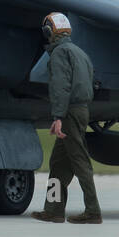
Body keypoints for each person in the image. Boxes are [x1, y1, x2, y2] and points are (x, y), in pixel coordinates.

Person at [31, 12, 102, 224]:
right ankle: (53, 210)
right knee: (58, 163)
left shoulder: (60, 53)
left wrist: (58, 116)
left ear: (49, 32)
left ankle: (93, 211)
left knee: (79, 161)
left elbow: (60, 87)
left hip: (69, 112)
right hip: (81, 110)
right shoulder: (80, 52)